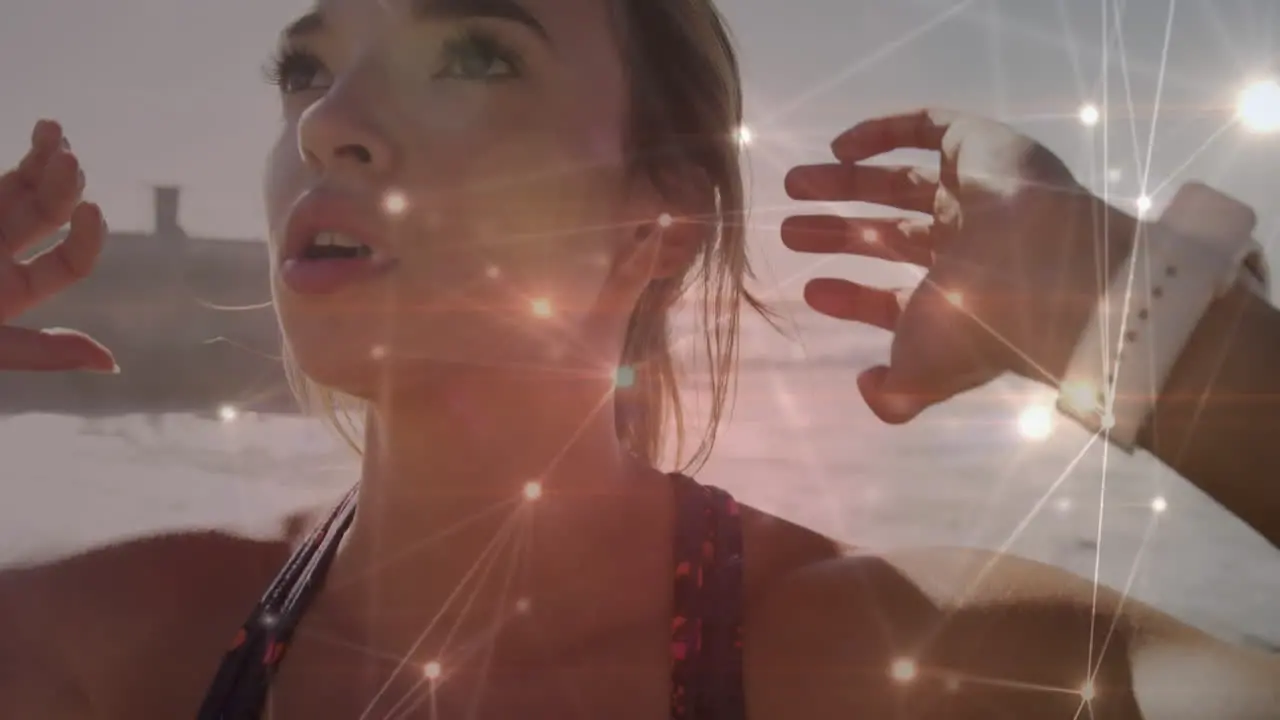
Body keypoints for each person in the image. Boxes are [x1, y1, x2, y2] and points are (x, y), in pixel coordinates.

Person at [0, 0, 1277, 717]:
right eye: (307, 68)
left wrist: (1136, 319)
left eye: (472, 55)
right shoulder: (102, 653)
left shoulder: (910, 663)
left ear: (652, 227)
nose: (328, 124)